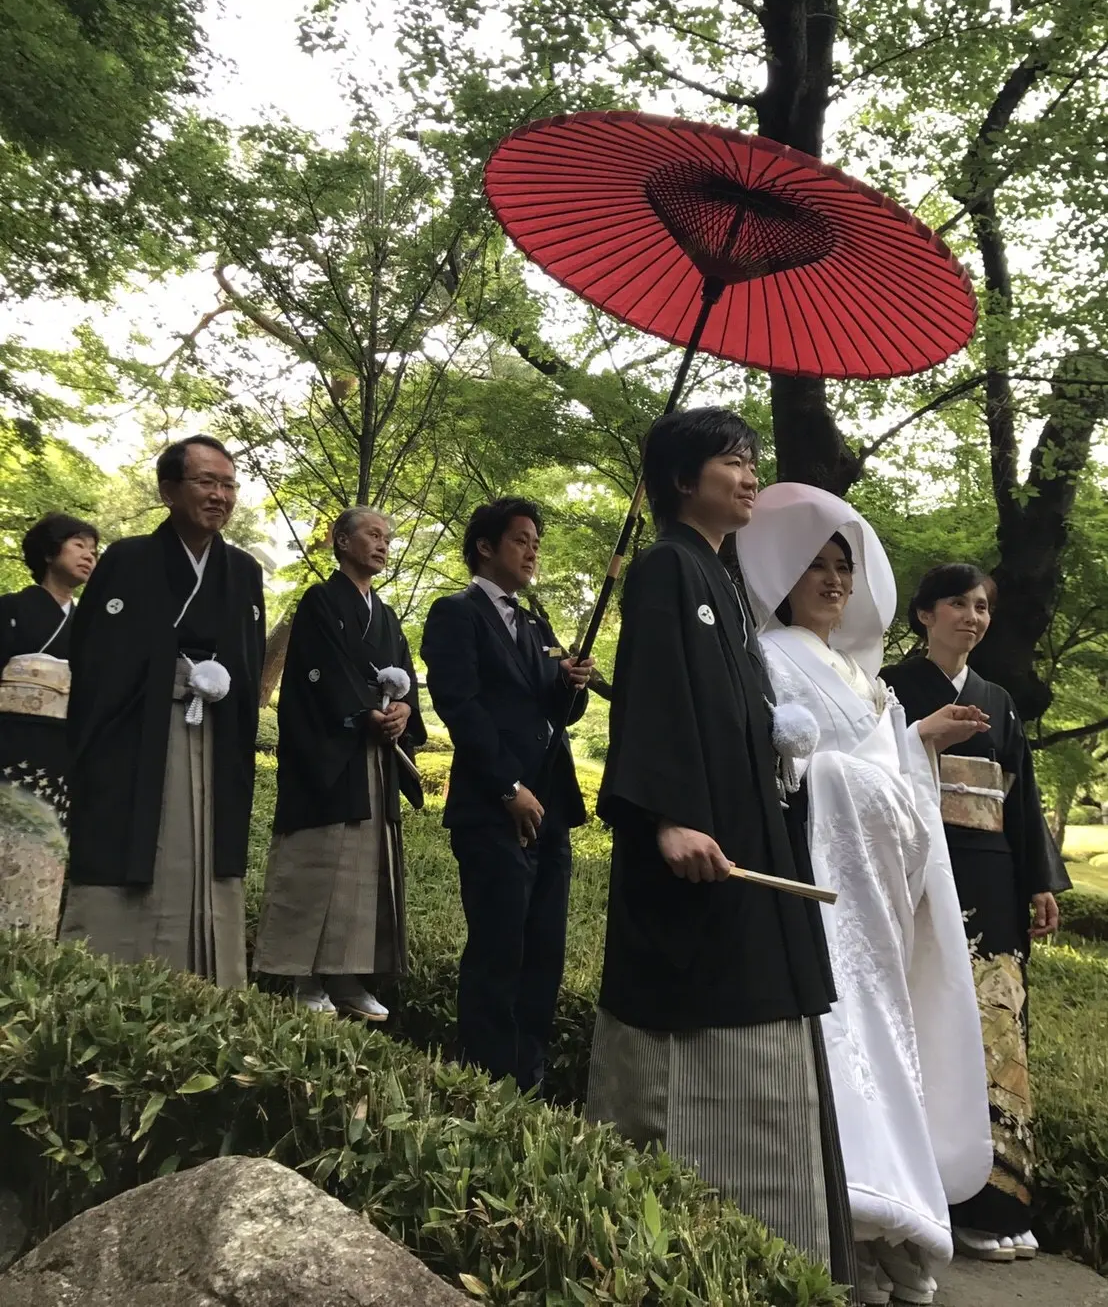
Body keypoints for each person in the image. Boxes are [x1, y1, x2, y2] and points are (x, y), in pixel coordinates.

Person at [586, 409, 856, 1290]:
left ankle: (775, 1253)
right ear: (679, 478)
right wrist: (662, 815)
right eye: (731, 461)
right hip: (695, 847)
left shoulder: (723, 580)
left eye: (751, 459)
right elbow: (654, 697)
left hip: (744, 833)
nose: (749, 475)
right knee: (701, 1009)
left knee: (763, 994)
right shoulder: (668, 566)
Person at [738, 483, 993, 1307]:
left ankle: (895, 1224)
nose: (834, 579)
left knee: (893, 1040)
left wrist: (912, 746)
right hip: (822, 893)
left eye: (843, 565)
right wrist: (845, 771)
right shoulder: (768, 657)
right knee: (843, 1047)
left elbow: (895, 777)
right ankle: (854, 1222)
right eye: (814, 564)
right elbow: (794, 774)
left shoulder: (861, 674)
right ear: (782, 574)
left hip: (880, 899)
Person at [882, 564, 1070, 1266]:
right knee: (926, 1020)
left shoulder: (999, 700)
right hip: (921, 873)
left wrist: (1040, 881)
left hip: (992, 876)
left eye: (983, 605)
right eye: (958, 603)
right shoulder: (891, 689)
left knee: (997, 1030)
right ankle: (929, 1191)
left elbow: (1018, 801)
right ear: (924, 613)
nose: (974, 615)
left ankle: (999, 1199)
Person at [59, 435, 265, 988]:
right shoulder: (127, 559)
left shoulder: (243, 570)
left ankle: (209, 986)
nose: (220, 495)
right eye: (206, 482)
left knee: (208, 851)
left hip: (216, 735)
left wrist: (222, 686)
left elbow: (247, 663)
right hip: (140, 734)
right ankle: (109, 979)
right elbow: (97, 659)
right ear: (168, 490)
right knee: (137, 837)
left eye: (228, 485)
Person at [421, 496, 592, 1093]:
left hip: (552, 806)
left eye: (536, 541)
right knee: (500, 946)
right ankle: (484, 1073)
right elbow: (459, 706)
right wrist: (507, 787)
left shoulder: (537, 623)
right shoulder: (456, 613)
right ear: (486, 547)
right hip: (495, 809)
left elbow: (557, 713)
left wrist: (573, 686)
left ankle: (530, 1072)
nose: (532, 550)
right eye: (521, 539)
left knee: (544, 945)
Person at [254, 507, 426, 1019]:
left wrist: (403, 710)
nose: (383, 544)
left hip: (374, 761)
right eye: (372, 534)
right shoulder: (319, 602)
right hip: (330, 755)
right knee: (322, 862)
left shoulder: (389, 616)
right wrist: (364, 712)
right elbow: (316, 674)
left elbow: (407, 678)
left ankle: (350, 977)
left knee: (365, 871)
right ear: (341, 541)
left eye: (387, 538)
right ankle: (304, 977)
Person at [0, 513, 98, 819]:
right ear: (48, 551)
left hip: (64, 744)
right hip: (9, 737)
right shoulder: (10, 608)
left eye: (93, 552)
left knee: (48, 838)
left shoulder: (91, 623)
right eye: (79, 545)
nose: (88, 556)